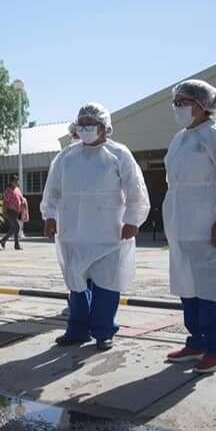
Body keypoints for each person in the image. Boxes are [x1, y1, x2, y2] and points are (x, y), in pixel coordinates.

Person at [40, 102, 150, 351]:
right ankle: (77, 331)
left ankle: (103, 332)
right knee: (76, 285)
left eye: (92, 123)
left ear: (105, 126)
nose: (86, 128)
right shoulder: (66, 156)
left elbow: (136, 191)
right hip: (72, 234)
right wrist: (49, 216)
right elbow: (52, 191)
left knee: (106, 286)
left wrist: (132, 220)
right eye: (83, 123)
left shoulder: (119, 154)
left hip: (108, 235)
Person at [163, 79, 216, 374]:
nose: (178, 107)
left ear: (203, 104)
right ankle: (195, 342)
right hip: (182, 224)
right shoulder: (180, 138)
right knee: (188, 284)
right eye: (176, 102)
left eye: (184, 102)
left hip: (210, 223)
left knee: (212, 286)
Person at [0, 176, 26, 250]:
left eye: (17, 181)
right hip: (10, 211)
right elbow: (5, 201)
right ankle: (16, 245)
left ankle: (3, 240)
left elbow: (21, 198)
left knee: (13, 228)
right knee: (17, 227)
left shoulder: (17, 189)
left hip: (16, 211)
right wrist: (4, 211)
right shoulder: (8, 191)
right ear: (11, 182)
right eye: (15, 181)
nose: (17, 182)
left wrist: (23, 203)